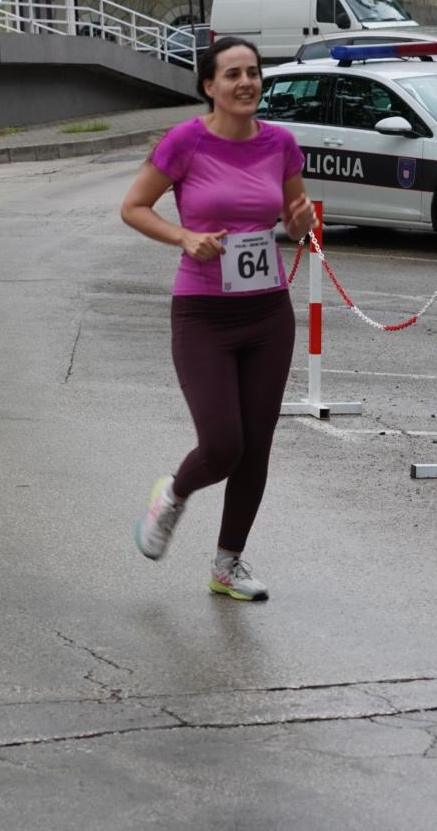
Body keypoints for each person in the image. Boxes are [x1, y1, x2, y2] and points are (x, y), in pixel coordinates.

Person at [121, 36, 315, 602]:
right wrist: (185, 236)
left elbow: (295, 223)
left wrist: (300, 222)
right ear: (210, 85)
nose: (246, 83)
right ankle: (173, 496)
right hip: (203, 313)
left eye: (253, 73)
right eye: (232, 74)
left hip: (267, 313)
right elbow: (133, 207)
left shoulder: (280, 143)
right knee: (222, 444)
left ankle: (227, 565)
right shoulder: (185, 142)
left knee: (256, 446)